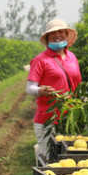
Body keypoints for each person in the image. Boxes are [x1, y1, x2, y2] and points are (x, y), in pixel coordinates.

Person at [26, 18, 82, 166]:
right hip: (48, 118)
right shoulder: (41, 60)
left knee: (69, 160)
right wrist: (40, 90)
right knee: (49, 161)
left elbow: (77, 84)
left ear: (66, 35)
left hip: (70, 117)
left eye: (61, 32)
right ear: (47, 38)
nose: (57, 35)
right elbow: (29, 88)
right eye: (53, 34)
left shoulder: (72, 57)